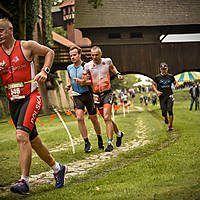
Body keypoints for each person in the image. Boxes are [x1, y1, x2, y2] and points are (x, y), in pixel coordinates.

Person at [0, 18, 65, 194]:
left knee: (22, 136)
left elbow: (49, 52)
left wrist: (45, 71)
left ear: (10, 30)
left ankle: (24, 181)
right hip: (13, 102)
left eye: (1, 31)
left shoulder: (26, 46)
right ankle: (58, 168)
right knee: (33, 141)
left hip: (31, 97)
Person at [82, 46, 124, 152]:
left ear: (101, 54)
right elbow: (84, 80)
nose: (94, 57)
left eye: (96, 55)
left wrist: (117, 74)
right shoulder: (88, 66)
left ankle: (110, 143)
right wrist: (82, 80)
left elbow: (113, 67)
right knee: (107, 119)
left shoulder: (107, 61)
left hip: (107, 92)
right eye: (92, 55)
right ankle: (119, 134)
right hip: (96, 95)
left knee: (106, 117)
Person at [65, 46, 104, 153]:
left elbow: (94, 81)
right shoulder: (69, 68)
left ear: (79, 54)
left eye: (74, 55)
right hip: (76, 95)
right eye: (71, 55)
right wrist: (68, 85)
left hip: (88, 94)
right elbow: (69, 78)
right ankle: (86, 142)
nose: (72, 57)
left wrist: (82, 82)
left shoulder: (87, 66)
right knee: (79, 118)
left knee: (93, 118)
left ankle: (99, 138)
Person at [152, 62, 178, 131]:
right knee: (164, 112)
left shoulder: (171, 76)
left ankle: (170, 126)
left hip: (169, 95)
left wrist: (176, 85)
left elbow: (175, 82)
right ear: (160, 69)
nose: (164, 70)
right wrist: (157, 91)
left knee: (170, 110)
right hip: (162, 97)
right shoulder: (157, 77)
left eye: (165, 69)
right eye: (162, 69)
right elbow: (153, 85)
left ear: (167, 69)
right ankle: (165, 117)